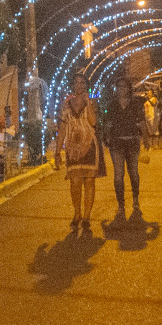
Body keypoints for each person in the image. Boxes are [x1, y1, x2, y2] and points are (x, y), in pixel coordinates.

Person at [54, 74, 102, 230]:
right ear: (72, 86)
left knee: (89, 181)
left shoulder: (92, 102)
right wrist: (57, 151)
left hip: (89, 146)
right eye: (76, 82)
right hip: (73, 148)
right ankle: (77, 213)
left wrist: (88, 103)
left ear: (86, 86)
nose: (79, 85)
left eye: (82, 83)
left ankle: (86, 216)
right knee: (75, 182)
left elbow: (93, 122)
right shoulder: (66, 105)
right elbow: (62, 129)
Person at [105, 76, 151, 220]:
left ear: (129, 88)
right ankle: (121, 204)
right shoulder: (112, 105)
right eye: (119, 87)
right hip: (117, 143)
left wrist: (146, 138)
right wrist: (106, 136)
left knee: (133, 173)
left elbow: (141, 122)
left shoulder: (135, 104)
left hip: (132, 142)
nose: (121, 89)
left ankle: (135, 199)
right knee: (118, 175)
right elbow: (108, 123)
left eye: (124, 86)